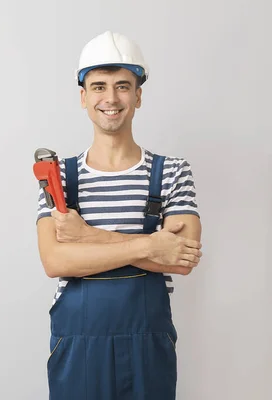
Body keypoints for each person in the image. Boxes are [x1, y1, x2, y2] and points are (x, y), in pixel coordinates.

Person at [35, 31, 203, 399]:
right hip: (78, 348)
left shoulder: (172, 171)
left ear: (138, 95)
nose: (110, 98)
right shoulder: (59, 177)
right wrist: (152, 247)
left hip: (148, 346)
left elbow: (182, 257)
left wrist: (89, 238)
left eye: (123, 86)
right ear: (83, 97)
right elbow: (55, 260)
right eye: (98, 87)